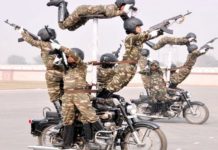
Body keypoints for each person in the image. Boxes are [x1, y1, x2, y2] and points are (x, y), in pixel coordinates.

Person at [97, 17, 195, 98]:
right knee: (113, 85)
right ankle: (100, 98)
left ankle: (105, 97)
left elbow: (146, 36)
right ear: (132, 27)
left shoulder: (138, 38)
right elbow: (144, 36)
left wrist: (161, 29)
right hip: (126, 66)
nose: (140, 28)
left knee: (120, 85)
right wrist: (158, 31)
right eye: (138, 27)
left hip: (131, 67)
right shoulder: (131, 37)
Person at [50, 43, 104, 149]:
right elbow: (54, 64)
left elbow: (72, 55)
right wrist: (58, 53)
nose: (68, 57)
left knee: (90, 116)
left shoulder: (81, 66)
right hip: (67, 96)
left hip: (80, 95)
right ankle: (67, 144)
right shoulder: (65, 68)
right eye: (68, 57)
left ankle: (102, 135)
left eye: (70, 56)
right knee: (67, 119)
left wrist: (60, 47)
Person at [16, 27, 64, 119]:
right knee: (61, 94)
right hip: (61, 72)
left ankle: (62, 117)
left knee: (54, 97)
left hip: (52, 73)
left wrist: (22, 32)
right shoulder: (55, 44)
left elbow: (31, 41)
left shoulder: (45, 45)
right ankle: (66, 113)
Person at [47, 0, 136, 31]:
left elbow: (127, 21)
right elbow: (109, 13)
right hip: (81, 12)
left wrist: (133, 20)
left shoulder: (118, 10)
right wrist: (124, 12)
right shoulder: (112, 8)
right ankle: (61, 4)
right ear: (121, 4)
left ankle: (64, 6)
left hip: (86, 16)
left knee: (71, 28)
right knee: (63, 25)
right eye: (126, 6)